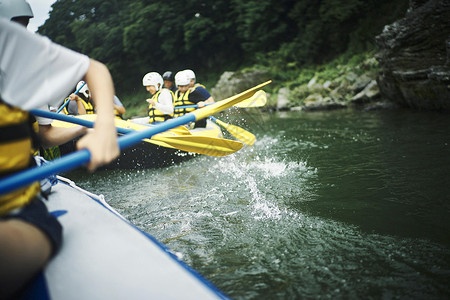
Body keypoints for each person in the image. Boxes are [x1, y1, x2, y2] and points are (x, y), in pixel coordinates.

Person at [0, 17, 119, 299]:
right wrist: (85, 123)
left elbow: (46, 134)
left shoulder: (14, 53)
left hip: (16, 206)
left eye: (24, 24)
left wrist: (101, 124)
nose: (22, 31)